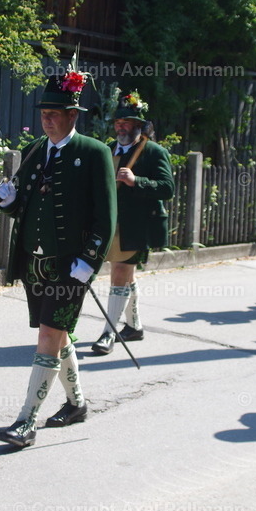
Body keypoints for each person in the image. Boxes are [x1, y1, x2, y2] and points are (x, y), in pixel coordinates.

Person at [0, 68, 116, 448]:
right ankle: (77, 404)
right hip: (35, 263)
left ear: (72, 116)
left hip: (70, 266)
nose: (47, 120)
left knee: (49, 334)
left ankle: (26, 422)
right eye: (43, 113)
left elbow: (106, 215)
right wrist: (10, 203)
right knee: (57, 335)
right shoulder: (34, 150)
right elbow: (27, 207)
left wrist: (89, 261)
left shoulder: (94, 153)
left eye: (55, 114)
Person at [90, 91, 175, 355]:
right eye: (117, 122)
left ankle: (109, 333)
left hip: (136, 226)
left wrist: (136, 181)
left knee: (119, 276)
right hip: (109, 224)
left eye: (126, 122)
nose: (120, 127)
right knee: (125, 276)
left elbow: (167, 188)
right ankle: (134, 326)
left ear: (138, 125)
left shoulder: (153, 152)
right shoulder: (107, 149)